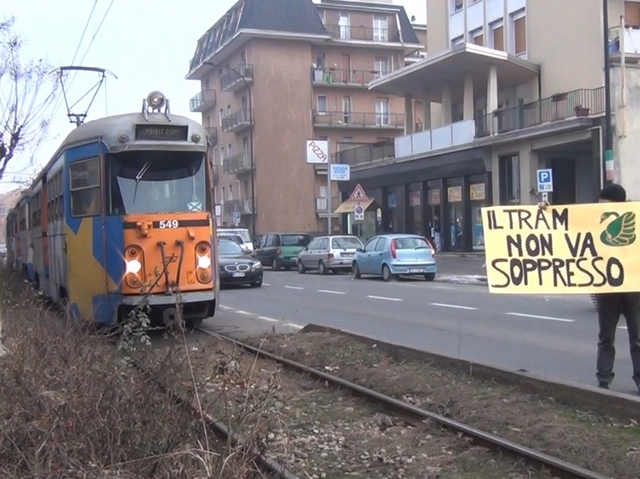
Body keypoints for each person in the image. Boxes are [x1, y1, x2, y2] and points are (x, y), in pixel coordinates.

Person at [539, 184, 640, 393]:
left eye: (605, 204)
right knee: (606, 335)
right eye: (599, 204)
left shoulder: (634, 219)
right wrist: (547, 210)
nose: (600, 208)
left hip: (633, 286)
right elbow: (569, 223)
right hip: (606, 286)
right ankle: (604, 380)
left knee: (637, 336)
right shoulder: (594, 219)